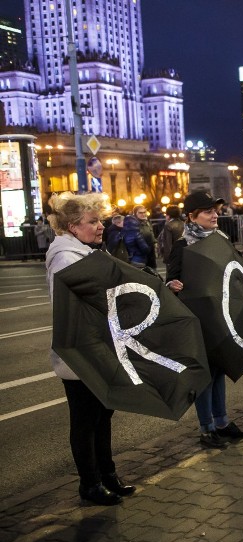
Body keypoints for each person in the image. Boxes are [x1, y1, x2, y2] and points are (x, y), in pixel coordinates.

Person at [45, 192, 135, 506]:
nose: (100, 226)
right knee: (85, 420)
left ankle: (107, 474)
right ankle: (90, 483)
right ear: (72, 226)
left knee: (102, 414)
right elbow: (80, 305)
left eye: (100, 220)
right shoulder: (65, 257)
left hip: (97, 348)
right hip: (79, 354)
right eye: (93, 221)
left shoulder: (86, 251)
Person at [166, 192, 243, 449]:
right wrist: (172, 285)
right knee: (205, 376)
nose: (215, 215)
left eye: (215, 210)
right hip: (198, 319)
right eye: (207, 212)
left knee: (219, 370)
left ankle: (223, 422)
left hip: (221, 315)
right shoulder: (183, 245)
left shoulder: (221, 239)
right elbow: (171, 278)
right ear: (192, 216)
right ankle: (207, 428)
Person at [122, 205, 155, 269]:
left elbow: (151, 236)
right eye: (140, 213)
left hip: (149, 255)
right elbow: (134, 240)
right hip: (138, 255)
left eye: (144, 212)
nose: (143, 214)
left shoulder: (147, 223)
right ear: (135, 214)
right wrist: (146, 249)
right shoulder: (132, 224)